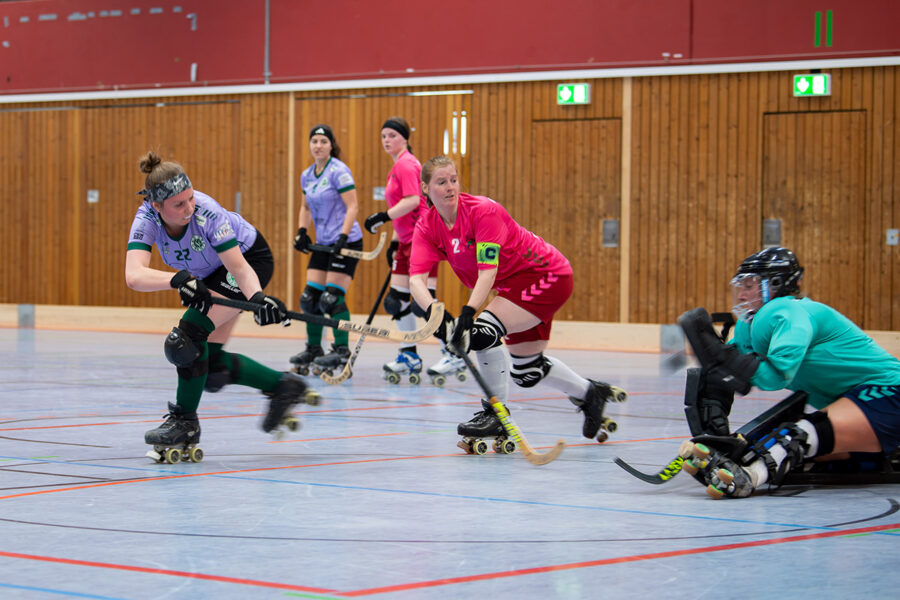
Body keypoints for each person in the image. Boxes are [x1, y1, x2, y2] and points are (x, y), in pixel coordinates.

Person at [407, 155, 627, 447]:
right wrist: (438, 315)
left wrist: (467, 313)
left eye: (454, 179)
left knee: (483, 331)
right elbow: (415, 280)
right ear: (425, 188)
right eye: (441, 182)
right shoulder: (427, 226)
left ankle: (495, 414)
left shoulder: (482, 211)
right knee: (526, 370)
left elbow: (488, 271)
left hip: (545, 276)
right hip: (512, 289)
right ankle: (590, 393)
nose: (450, 187)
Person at [125, 151, 318, 461]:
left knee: (186, 339)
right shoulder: (146, 219)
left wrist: (257, 299)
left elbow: (240, 269)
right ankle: (283, 387)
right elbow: (134, 275)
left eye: (190, 198)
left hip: (249, 260)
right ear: (156, 206)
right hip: (208, 274)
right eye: (179, 204)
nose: (189, 208)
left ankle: (184, 423)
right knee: (209, 367)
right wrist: (178, 280)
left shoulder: (207, 213)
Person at [679, 247, 900, 498]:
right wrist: (715, 435)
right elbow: (730, 374)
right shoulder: (750, 322)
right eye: (740, 286)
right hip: (862, 401)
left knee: (797, 435)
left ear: (774, 285)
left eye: (749, 285)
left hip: (891, 392)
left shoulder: (788, 311)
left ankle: (749, 477)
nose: (741, 295)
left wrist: (724, 360)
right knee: (766, 444)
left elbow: (776, 376)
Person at [363, 117, 457, 384]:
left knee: (422, 303)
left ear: (404, 138)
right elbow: (406, 210)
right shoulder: (398, 166)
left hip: (424, 237)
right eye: (383, 136)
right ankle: (409, 355)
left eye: (392, 135)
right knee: (396, 300)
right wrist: (394, 240)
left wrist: (382, 216)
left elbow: (415, 200)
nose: (386, 140)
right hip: (407, 240)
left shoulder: (407, 164)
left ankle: (454, 349)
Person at [290, 124, 364, 375]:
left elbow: (352, 206)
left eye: (323, 141)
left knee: (332, 298)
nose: (318, 146)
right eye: (314, 141)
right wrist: (302, 231)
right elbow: (305, 208)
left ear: (331, 145)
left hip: (346, 241)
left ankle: (342, 350)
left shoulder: (339, 171)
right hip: (322, 243)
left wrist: (343, 236)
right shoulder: (307, 175)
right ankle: (314, 349)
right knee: (310, 299)